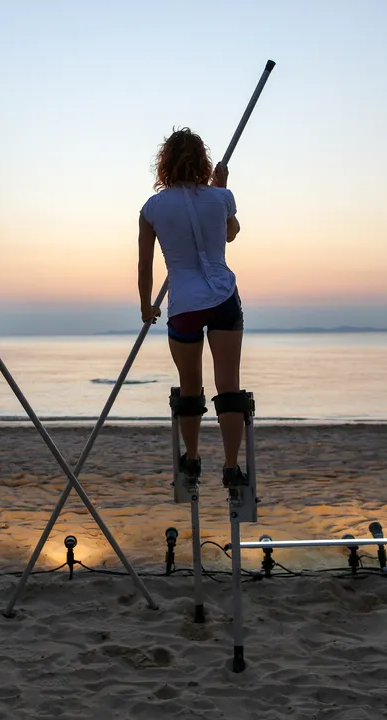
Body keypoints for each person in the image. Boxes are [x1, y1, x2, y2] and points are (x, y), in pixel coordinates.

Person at [136, 127, 249, 489]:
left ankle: (194, 458)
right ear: (203, 161)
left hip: (184, 302)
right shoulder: (221, 198)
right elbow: (230, 233)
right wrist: (221, 189)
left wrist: (145, 305)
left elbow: (144, 265)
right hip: (223, 295)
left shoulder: (153, 208)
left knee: (190, 386)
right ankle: (231, 465)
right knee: (228, 386)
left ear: (164, 162)